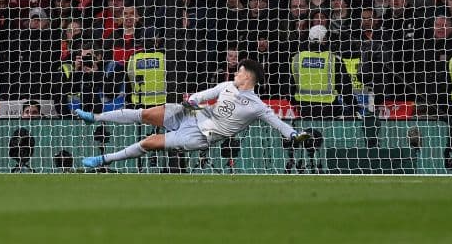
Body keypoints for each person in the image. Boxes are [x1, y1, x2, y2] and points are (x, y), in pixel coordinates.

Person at [73, 59, 309, 169]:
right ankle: (96, 117)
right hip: (190, 115)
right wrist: (191, 100)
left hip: (199, 136)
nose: (236, 73)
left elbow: (277, 123)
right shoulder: (228, 85)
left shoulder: (257, 105)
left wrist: (294, 134)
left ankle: (103, 160)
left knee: (148, 142)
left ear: (248, 76)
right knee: (144, 113)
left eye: (239, 71)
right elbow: (204, 95)